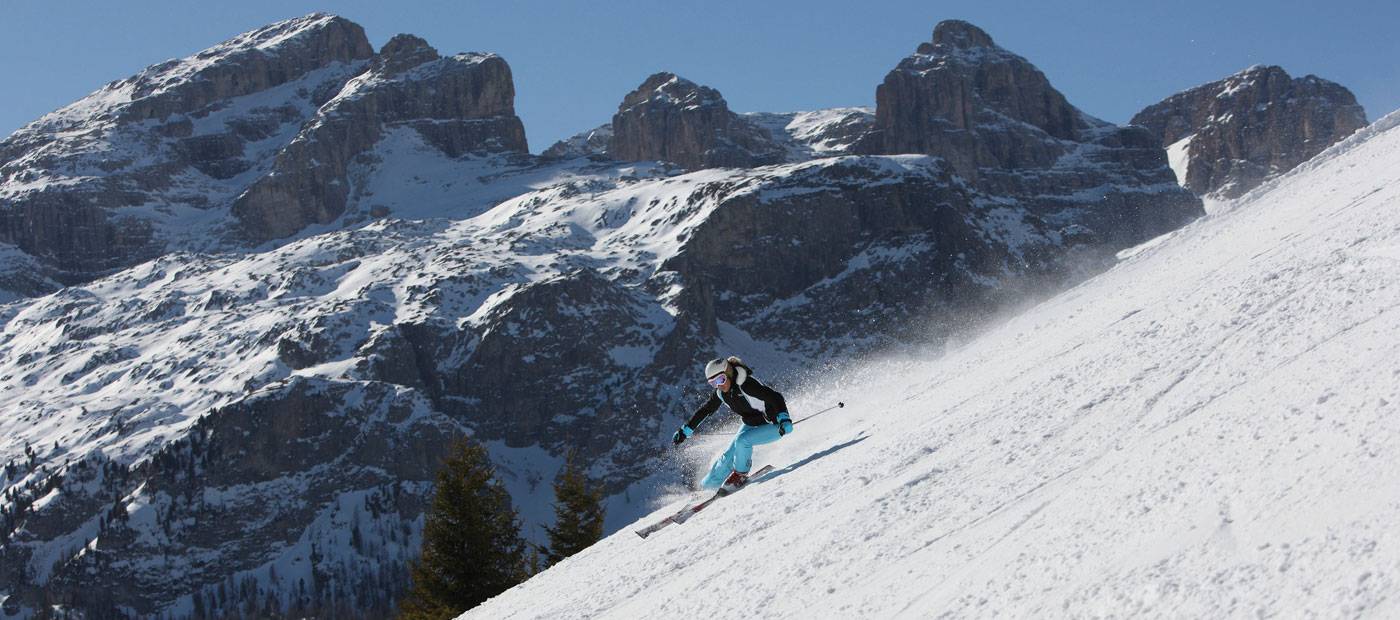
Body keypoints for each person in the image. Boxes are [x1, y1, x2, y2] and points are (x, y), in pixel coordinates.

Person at [672, 356, 794, 491]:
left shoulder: (746, 385)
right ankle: (708, 487)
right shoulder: (721, 393)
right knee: (727, 457)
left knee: (743, 441)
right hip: (751, 424)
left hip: (775, 425)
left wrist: (784, 418)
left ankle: (740, 475)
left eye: (721, 379)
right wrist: (685, 430)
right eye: (713, 383)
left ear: (728, 373)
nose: (719, 385)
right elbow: (706, 410)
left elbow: (775, 397)